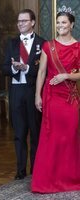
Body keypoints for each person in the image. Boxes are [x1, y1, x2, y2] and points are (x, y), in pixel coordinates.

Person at [31, 9, 80, 193]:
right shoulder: (48, 46)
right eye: (58, 22)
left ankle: (70, 177)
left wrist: (66, 75)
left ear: (72, 24)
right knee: (52, 138)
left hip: (70, 98)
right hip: (52, 97)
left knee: (69, 137)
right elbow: (42, 72)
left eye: (64, 23)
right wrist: (37, 95)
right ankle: (48, 180)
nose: (60, 26)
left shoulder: (78, 47)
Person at [2, 9, 45, 180]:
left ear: (32, 22)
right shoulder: (11, 43)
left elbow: (45, 70)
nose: (20, 24)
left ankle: (36, 169)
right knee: (19, 133)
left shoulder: (42, 44)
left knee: (35, 133)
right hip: (17, 92)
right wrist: (14, 68)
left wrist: (26, 68)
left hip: (34, 92)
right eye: (19, 21)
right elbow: (5, 67)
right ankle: (20, 170)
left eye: (24, 21)